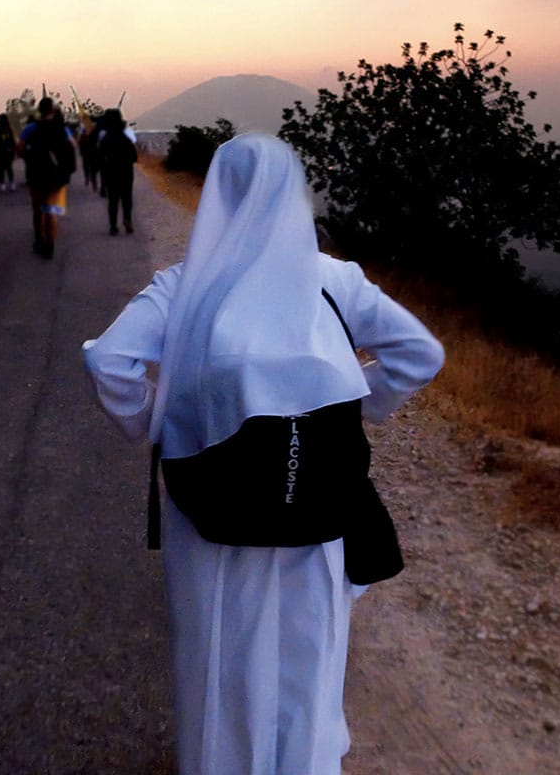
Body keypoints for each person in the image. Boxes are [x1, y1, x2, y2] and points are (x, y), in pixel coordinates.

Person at [80, 134, 444, 774]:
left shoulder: (183, 288)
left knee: (218, 665)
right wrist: (360, 405)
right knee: (308, 667)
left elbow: (110, 360)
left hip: (212, 516)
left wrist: (154, 419)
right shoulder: (334, 281)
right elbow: (421, 354)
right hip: (317, 509)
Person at [20, 96, 75, 259]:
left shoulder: (31, 128)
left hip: (36, 173)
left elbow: (20, 148)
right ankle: (50, 245)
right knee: (51, 210)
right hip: (56, 175)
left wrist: (30, 157)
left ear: (39, 111)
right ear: (53, 110)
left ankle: (39, 239)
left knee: (37, 208)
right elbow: (72, 145)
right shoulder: (61, 128)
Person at [96, 107, 138, 236]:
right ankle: (127, 220)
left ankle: (113, 226)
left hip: (110, 172)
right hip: (126, 171)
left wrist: (102, 183)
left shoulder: (104, 136)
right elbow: (134, 155)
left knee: (113, 200)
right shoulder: (127, 132)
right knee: (127, 198)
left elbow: (100, 158)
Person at [0, 112, 18, 192]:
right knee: (9, 168)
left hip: (0, 151)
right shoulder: (9, 129)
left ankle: (3, 184)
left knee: (1, 168)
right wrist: (14, 151)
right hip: (9, 151)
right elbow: (12, 141)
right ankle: (12, 183)